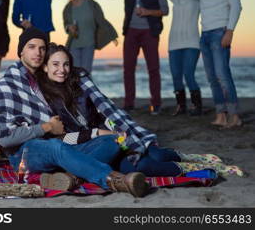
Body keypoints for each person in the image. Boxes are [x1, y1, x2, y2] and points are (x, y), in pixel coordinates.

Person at [0, 28, 152, 198]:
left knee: (112, 142)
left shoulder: (39, 81)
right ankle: (116, 180)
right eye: (31, 47)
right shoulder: (7, 85)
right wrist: (46, 127)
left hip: (56, 148)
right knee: (55, 145)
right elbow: (5, 138)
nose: (37, 53)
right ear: (21, 51)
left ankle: (69, 177)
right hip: (24, 153)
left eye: (41, 48)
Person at [34, 43, 243, 179]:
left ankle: (188, 157)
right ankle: (196, 171)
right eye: (55, 64)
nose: (61, 69)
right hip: (90, 147)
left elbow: (105, 109)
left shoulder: (80, 83)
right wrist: (97, 134)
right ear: (45, 67)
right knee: (139, 167)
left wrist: (117, 131)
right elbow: (61, 139)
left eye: (66, 64)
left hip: (113, 135)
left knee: (156, 155)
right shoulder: (43, 98)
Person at [153, 0, 242, 127]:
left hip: (220, 32)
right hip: (205, 35)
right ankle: (221, 115)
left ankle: (234, 116)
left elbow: (236, 5)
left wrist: (230, 31)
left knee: (222, 75)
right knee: (211, 77)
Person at [102, 0, 169, 115]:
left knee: (153, 69)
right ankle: (129, 104)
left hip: (150, 32)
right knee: (128, 70)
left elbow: (165, 10)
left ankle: (156, 105)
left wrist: (147, 12)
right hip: (131, 32)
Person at [156, 0, 202, 116]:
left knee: (188, 74)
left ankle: (197, 106)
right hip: (174, 44)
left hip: (192, 43)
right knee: (176, 76)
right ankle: (181, 106)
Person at [63, 0, 118, 73]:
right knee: (75, 73)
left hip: (89, 43)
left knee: (85, 72)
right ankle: (77, 89)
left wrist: (112, 36)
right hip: (74, 44)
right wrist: (69, 27)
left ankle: (87, 88)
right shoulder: (68, 7)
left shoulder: (92, 4)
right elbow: (66, 25)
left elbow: (101, 20)